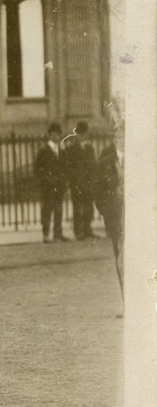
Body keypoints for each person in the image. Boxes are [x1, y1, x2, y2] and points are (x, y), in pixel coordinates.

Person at [95, 120, 124, 314]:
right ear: (114, 139)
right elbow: (97, 189)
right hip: (116, 216)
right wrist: (106, 211)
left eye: (125, 136)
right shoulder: (106, 162)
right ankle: (126, 301)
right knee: (121, 258)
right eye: (119, 136)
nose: (122, 140)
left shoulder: (144, 159)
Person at [35, 123, 69, 243]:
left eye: (58, 135)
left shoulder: (61, 150)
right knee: (47, 210)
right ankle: (46, 234)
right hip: (48, 187)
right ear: (49, 135)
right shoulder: (43, 151)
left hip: (59, 186)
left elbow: (65, 168)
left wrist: (63, 181)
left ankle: (58, 234)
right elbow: (38, 169)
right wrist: (46, 180)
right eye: (54, 135)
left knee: (59, 210)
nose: (56, 137)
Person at [66, 121, 99, 240]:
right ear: (76, 135)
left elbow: (94, 166)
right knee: (78, 209)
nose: (82, 136)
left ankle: (87, 230)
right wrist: (72, 183)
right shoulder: (71, 149)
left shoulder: (90, 148)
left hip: (88, 184)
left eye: (84, 134)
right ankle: (78, 231)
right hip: (77, 185)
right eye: (80, 134)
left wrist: (93, 181)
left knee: (89, 208)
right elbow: (69, 168)